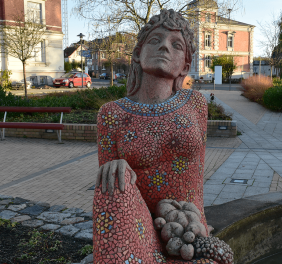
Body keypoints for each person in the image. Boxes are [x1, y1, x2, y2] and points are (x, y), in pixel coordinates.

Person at [92, 9, 215, 263]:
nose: (164, 48)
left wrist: (198, 220)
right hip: (137, 222)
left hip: (186, 228)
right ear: (138, 53)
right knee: (114, 175)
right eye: (155, 40)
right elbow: (110, 189)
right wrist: (115, 167)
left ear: (186, 65)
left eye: (176, 45)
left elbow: (198, 172)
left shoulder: (195, 104)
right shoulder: (111, 114)